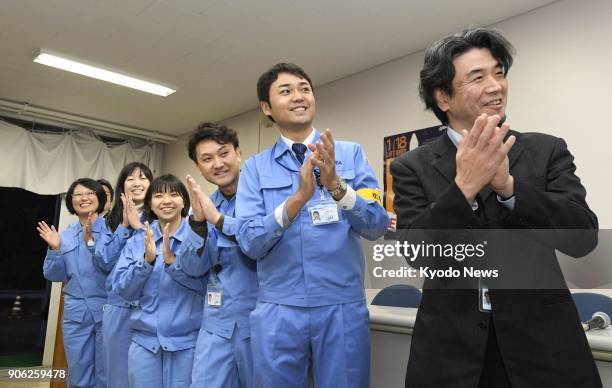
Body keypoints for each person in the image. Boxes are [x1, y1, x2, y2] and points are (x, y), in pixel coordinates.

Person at [390, 27, 601, 387]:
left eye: (499, 73)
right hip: (451, 353)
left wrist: (509, 188)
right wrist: (464, 188)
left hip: (544, 347)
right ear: (443, 97)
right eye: (477, 77)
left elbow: (582, 237)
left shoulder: (546, 151)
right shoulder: (412, 167)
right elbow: (417, 252)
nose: (495, 86)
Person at [236, 62, 389, 387]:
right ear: (267, 107)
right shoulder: (254, 168)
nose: (298, 96)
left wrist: (337, 187)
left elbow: (376, 225)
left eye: (305, 88)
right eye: (286, 91)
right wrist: (298, 199)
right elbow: (249, 242)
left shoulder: (350, 154)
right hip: (279, 308)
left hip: (340, 306)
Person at [175, 122, 256, 387]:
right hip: (216, 320)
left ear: (238, 153)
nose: (217, 163)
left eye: (223, 153)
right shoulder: (202, 205)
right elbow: (192, 267)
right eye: (207, 159)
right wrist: (198, 224)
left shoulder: (262, 197)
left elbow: (264, 243)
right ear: (199, 168)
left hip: (257, 319)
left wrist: (219, 220)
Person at [113, 174, 206, 388]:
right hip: (145, 343)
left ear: (184, 202)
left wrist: (173, 264)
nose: (166, 201)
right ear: (150, 205)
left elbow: (206, 286)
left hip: (186, 344)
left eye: (174, 194)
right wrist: (146, 262)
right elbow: (124, 291)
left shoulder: (198, 239)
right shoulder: (137, 242)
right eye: (158, 196)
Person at [38, 178, 108, 388]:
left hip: (108, 311)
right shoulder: (65, 235)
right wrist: (55, 248)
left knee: (107, 374)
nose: (84, 198)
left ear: (100, 198)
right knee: (78, 375)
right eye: (78, 194)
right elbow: (54, 275)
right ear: (71, 201)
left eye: (90, 193)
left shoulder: (114, 231)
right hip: (76, 313)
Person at [95, 163, 153, 388]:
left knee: (146, 376)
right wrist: (125, 227)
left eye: (143, 178)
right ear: (122, 185)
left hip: (150, 305)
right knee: (117, 375)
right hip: (119, 308)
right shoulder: (110, 220)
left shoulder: (160, 214)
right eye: (130, 179)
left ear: (151, 184)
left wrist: (140, 227)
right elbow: (103, 260)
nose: (137, 183)